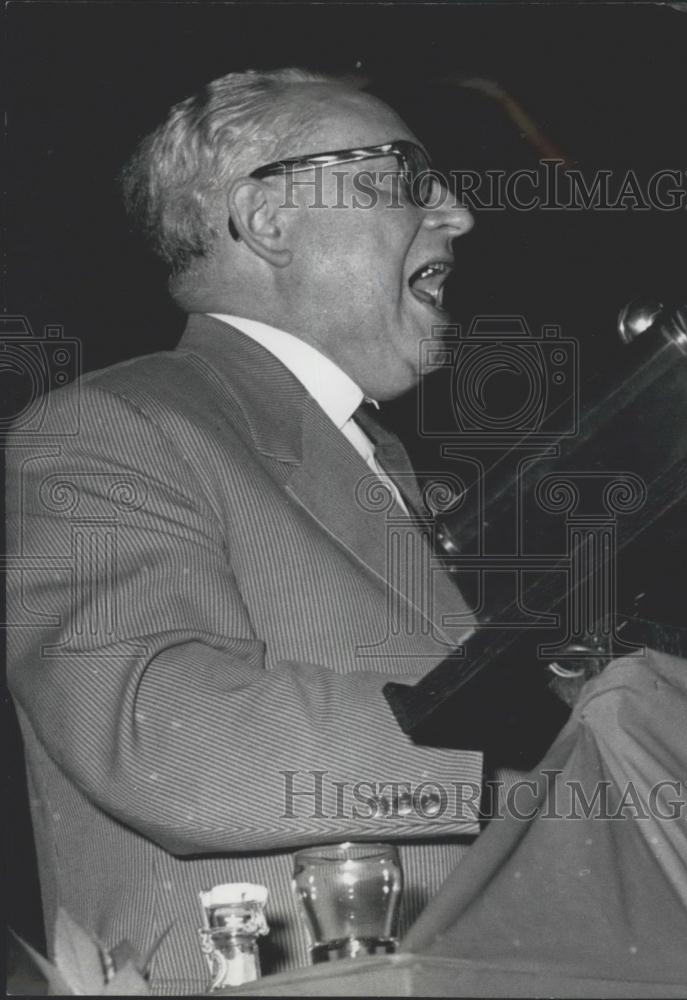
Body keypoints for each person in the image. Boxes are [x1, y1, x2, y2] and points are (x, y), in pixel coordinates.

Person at [6, 68, 492, 993]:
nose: (458, 214)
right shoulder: (109, 427)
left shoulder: (382, 466)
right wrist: (523, 745)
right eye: (408, 177)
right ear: (268, 217)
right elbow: (162, 734)